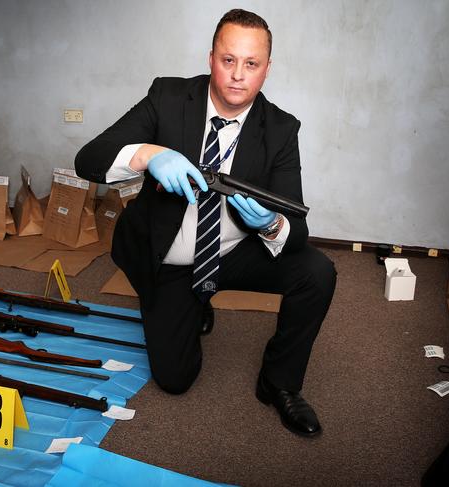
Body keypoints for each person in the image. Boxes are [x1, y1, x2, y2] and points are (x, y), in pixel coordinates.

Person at [75, 9, 336, 437]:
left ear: (267, 70)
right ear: (210, 57)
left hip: (233, 251)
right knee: (175, 380)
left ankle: (280, 383)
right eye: (227, 60)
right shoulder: (168, 97)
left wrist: (271, 224)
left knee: (317, 271)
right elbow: (88, 158)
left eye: (251, 64)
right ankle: (195, 301)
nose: (237, 75)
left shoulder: (282, 128)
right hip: (170, 257)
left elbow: (297, 227)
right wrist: (149, 155)